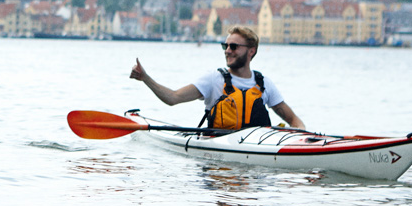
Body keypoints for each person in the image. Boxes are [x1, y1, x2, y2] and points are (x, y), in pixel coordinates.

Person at [129, 25, 306, 130]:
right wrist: (145, 78)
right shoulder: (213, 80)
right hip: (219, 154)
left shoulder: (264, 83)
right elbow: (173, 98)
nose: (228, 50)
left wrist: (301, 138)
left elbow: (293, 120)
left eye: (234, 46)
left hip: (257, 151)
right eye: (225, 45)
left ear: (251, 51)